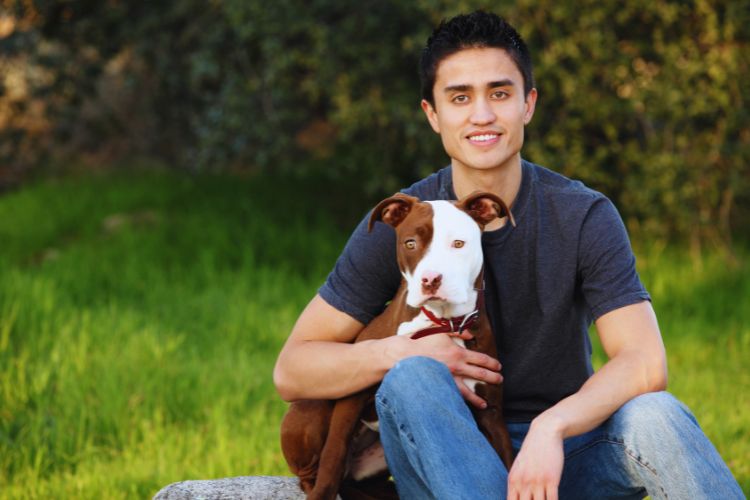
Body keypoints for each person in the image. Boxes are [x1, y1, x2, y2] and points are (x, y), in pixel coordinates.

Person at [274, 10, 743, 500]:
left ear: (528, 104)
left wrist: (552, 428)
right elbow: (293, 369)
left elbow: (645, 363)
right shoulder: (408, 223)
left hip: (565, 453)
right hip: (444, 450)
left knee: (655, 412)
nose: (482, 115)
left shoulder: (582, 215)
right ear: (432, 114)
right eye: (460, 97)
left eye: (499, 93)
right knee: (412, 378)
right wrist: (404, 351)